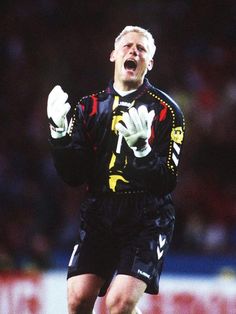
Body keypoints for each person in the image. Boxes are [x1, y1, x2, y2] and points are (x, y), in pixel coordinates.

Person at [47, 25, 185, 314]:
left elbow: (166, 181)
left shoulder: (167, 112)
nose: (133, 50)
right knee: (77, 299)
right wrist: (59, 136)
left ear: (151, 63)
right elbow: (73, 176)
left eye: (142, 48)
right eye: (127, 46)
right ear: (113, 55)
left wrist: (142, 151)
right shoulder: (88, 108)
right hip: (100, 212)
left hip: (147, 216)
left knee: (118, 303)